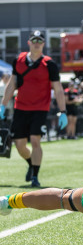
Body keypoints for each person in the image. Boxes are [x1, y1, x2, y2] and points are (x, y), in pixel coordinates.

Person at [0, 30, 67, 187]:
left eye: (40, 41)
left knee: (36, 141)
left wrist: (62, 111)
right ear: (29, 42)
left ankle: (35, 177)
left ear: (43, 44)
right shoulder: (19, 60)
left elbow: (57, 89)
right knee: (19, 145)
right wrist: (3, 105)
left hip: (40, 108)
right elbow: (11, 85)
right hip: (21, 107)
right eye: (34, 40)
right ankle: (31, 163)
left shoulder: (49, 64)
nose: (37, 43)